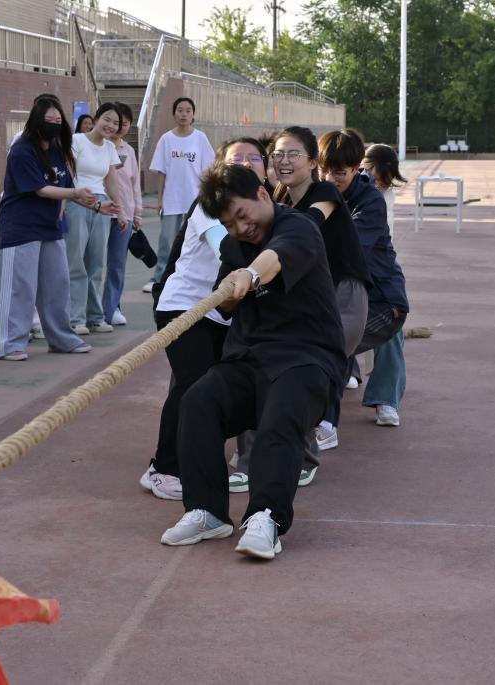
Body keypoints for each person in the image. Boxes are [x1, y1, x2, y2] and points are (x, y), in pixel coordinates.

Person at [160, 163, 346, 560]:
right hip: (249, 358)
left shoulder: (298, 227)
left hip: (306, 359)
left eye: (243, 216)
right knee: (198, 401)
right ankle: (208, 511)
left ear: (262, 194)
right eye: (229, 224)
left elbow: (274, 259)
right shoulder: (234, 246)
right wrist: (230, 290)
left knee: (281, 415)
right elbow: (226, 302)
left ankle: (267, 516)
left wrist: (250, 275)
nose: (241, 228)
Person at [140, 137, 265, 501]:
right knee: (192, 385)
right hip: (184, 308)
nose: (245, 163)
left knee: (220, 388)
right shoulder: (210, 204)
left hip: (222, 315)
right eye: (236, 158)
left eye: (254, 157)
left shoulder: (266, 208)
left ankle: (200, 457)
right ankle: (163, 468)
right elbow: (225, 248)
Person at [270, 126, 373, 456]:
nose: (284, 161)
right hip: (315, 300)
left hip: (344, 297)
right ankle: (307, 440)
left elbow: (309, 224)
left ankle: (311, 446)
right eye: (278, 154)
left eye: (293, 154)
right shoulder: (282, 199)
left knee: (311, 368)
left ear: (313, 162)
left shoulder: (324, 192)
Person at [0, 96, 94, 362]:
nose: (54, 124)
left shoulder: (58, 150)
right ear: (37, 121)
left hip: (49, 227)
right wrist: (74, 194)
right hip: (20, 227)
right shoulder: (22, 150)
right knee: (20, 286)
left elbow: (63, 187)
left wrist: (91, 204)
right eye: (49, 120)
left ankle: (61, 338)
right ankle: (8, 343)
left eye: (58, 120)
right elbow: (40, 188)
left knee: (57, 284)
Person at [319, 132, 408, 427]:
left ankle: (383, 400)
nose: (330, 178)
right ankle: (341, 385)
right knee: (328, 337)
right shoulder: (317, 191)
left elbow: (345, 249)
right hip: (342, 290)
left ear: (356, 168)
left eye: (339, 173)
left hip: (380, 295)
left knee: (335, 341)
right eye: (324, 170)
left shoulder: (371, 200)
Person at [356, 142, 410, 426]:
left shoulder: (385, 195)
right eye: (374, 177)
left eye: (385, 181)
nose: (378, 184)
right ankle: (347, 372)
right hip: (347, 272)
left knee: (390, 326)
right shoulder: (347, 190)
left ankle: (386, 400)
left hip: (379, 271)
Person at [145, 97, 215, 291]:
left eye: (188, 110)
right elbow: (161, 172)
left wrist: (207, 197)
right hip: (171, 200)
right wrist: (160, 200)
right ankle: (160, 278)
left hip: (195, 200)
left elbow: (209, 170)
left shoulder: (200, 138)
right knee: (167, 241)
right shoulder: (166, 139)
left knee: (194, 242)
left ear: (193, 115)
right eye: (180, 110)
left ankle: (189, 278)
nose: (184, 114)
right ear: (174, 113)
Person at [65, 102, 123, 335]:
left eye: (115, 123)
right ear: (96, 119)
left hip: (102, 206)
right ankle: (75, 318)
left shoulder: (109, 147)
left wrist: (120, 210)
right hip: (78, 202)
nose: (110, 125)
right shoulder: (76, 140)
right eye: (107, 119)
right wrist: (80, 199)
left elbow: (111, 180)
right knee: (76, 261)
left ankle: (95, 317)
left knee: (96, 263)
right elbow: (69, 176)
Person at [102, 102, 143, 327]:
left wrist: (137, 213)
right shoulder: (99, 146)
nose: (119, 127)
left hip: (124, 214)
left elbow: (135, 184)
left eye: (124, 124)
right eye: (116, 122)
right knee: (92, 265)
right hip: (99, 211)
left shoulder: (129, 151)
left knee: (117, 264)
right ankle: (90, 310)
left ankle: (112, 308)